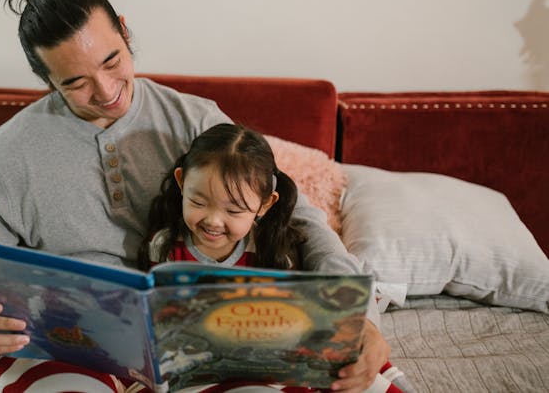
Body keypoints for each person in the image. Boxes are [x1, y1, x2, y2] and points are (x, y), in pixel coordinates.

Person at [0, 0, 391, 393]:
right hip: (67, 338)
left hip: (198, 336)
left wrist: (358, 315)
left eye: (112, 60)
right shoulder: (7, 152)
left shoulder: (195, 119)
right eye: (76, 82)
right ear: (46, 80)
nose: (105, 91)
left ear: (124, 29)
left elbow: (299, 219)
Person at [140, 123, 413, 393]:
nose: (212, 221)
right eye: (198, 203)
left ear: (264, 205)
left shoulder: (273, 250)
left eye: (234, 211)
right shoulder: (164, 247)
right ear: (181, 182)